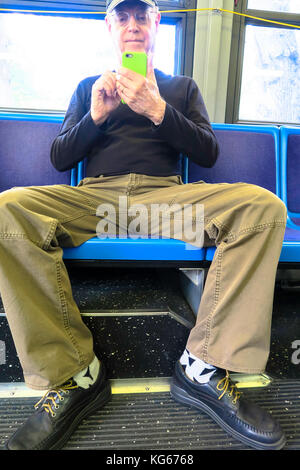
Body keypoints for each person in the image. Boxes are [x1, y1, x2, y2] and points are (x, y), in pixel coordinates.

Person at [1, 0, 287, 450]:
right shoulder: (86, 88)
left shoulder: (181, 87)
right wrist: (96, 117)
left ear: (156, 24)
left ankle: (203, 365)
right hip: (97, 198)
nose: (132, 26)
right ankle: (74, 373)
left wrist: (159, 110)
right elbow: (60, 159)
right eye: (123, 17)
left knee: (262, 206)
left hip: (165, 197)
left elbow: (207, 153)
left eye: (142, 17)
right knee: (7, 209)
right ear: (110, 27)